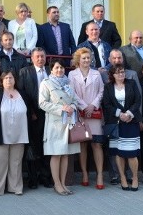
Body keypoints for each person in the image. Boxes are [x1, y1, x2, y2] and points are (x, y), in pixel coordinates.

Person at [39, 59, 81, 196]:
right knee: (56, 154)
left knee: (65, 155)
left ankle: (63, 183)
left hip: (69, 122)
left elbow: (75, 100)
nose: (59, 70)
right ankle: (56, 184)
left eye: (61, 67)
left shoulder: (69, 83)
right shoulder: (46, 83)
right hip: (55, 124)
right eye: (56, 68)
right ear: (51, 70)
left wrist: (72, 107)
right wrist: (61, 108)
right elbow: (42, 103)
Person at [0, 71, 29, 196]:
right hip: (0, 134)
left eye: (11, 77)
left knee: (16, 163)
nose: (9, 80)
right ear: (1, 81)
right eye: (6, 78)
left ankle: (15, 187)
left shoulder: (23, 95)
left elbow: (30, 114)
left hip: (20, 134)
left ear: (15, 80)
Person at [101, 48, 142, 184]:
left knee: (131, 152)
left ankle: (133, 177)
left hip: (131, 121)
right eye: (118, 73)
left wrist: (129, 113)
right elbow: (106, 104)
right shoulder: (108, 87)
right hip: (115, 121)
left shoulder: (131, 82)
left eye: (123, 72)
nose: (121, 75)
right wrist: (120, 114)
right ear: (112, 75)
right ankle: (120, 177)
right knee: (117, 151)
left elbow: (138, 100)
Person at [68, 48, 105, 189]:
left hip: (94, 113)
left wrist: (93, 105)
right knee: (83, 144)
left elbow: (101, 91)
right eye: (83, 58)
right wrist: (84, 106)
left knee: (97, 144)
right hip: (80, 113)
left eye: (88, 58)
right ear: (78, 59)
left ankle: (100, 175)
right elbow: (72, 93)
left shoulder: (97, 73)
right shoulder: (72, 74)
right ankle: (84, 174)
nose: (86, 60)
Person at [17, 47, 51, 189]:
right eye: (37, 56)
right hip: (32, 115)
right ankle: (32, 178)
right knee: (33, 147)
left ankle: (46, 176)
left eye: (42, 56)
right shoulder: (24, 72)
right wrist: (30, 112)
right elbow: (22, 93)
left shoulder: (50, 71)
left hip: (49, 114)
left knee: (47, 146)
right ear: (32, 58)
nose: (40, 59)